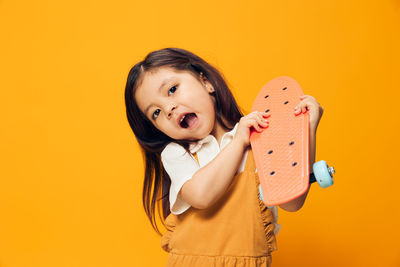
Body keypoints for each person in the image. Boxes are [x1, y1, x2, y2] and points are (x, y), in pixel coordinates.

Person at [124, 47, 324, 266]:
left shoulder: (258, 141)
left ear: (206, 82)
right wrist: (238, 142)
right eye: (156, 113)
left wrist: (308, 128)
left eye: (172, 89)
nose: (168, 109)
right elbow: (201, 195)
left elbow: (292, 201)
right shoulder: (177, 153)